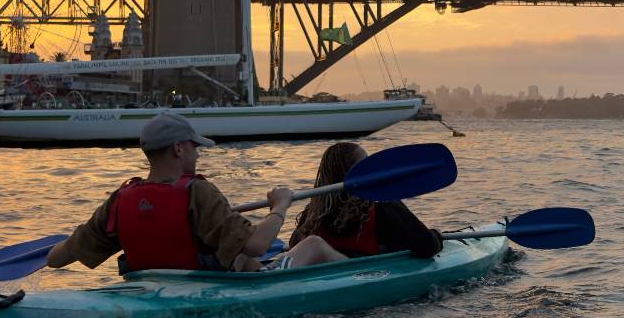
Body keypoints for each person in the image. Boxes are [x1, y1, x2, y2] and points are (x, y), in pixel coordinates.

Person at [43, 111, 293, 274]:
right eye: (194, 147)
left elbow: (55, 259)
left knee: (238, 257)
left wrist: (69, 242)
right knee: (257, 256)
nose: (197, 153)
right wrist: (280, 206)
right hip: (200, 293)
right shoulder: (199, 192)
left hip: (145, 292)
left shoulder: (120, 200)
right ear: (178, 149)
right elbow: (258, 245)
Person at [276, 140, 444, 268]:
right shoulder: (382, 207)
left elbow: (294, 248)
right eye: (366, 164)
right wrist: (436, 234)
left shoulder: (313, 212)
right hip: (355, 277)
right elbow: (426, 247)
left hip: (321, 277)